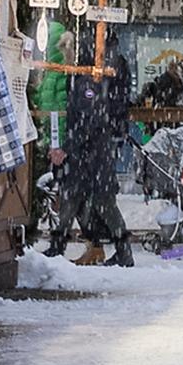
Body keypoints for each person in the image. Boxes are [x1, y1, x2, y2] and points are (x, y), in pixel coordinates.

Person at [57, 42, 136, 267]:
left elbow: (87, 119)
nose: (63, 57)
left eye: (66, 51)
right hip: (95, 149)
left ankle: (119, 249)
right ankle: (117, 249)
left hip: (92, 150)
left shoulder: (85, 80)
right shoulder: (86, 77)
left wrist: (68, 146)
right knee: (88, 199)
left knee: (93, 199)